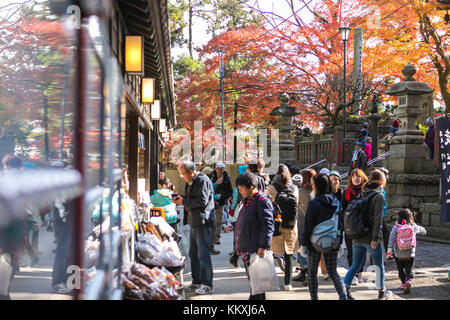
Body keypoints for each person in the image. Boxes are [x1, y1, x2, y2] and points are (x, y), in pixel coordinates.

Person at [344, 170, 393, 300]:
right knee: (379, 266)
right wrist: (376, 238)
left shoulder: (362, 192)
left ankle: (344, 289)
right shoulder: (379, 196)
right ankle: (382, 291)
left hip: (358, 235)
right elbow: (378, 219)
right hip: (370, 236)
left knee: (355, 265)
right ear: (382, 181)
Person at [299, 173, 348, 300]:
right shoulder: (336, 201)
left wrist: (303, 243)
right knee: (333, 272)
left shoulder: (314, 203)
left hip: (314, 243)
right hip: (332, 241)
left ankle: (314, 298)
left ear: (316, 186)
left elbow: (308, 225)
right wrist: (340, 241)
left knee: (312, 273)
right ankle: (343, 296)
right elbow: (340, 223)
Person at [173, 161, 215, 295]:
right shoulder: (192, 181)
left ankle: (207, 284)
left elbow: (202, 201)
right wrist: (182, 198)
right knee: (193, 254)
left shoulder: (202, 181)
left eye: (183, 174)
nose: (182, 177)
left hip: (203, 222)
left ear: (191, 172)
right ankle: (196, 281)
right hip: (194, 221)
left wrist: (183, 201)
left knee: (203, 254)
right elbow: (193, 199)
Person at [235, 172, 275, 300]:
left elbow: (268, 225)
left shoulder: (262, 201)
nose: (240, 191)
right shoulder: (247, 201)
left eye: (242, 188)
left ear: (251, 186)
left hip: (255, 249)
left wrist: (263, 246)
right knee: (255, 286)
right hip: (247, 247)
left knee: (257, 287)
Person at [267, 164, 299, 291]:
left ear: (276, 174)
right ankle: (288, 283)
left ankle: (269, 278)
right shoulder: (295, 188)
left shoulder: (271, 187)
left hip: (277, 223)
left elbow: (268, 204)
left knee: (271, 251)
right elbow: (296, 203)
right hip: (291, 224)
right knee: (289, 253)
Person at [387, 209, 426, 294]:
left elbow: (391, 240)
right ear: (410, 216)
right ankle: (409, 281)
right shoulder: (413, 226)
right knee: (409, 269)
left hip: (398, 254)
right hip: (410, 253)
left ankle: (403, 283)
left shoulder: (396, 227)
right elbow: (423, 231)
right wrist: (422, 230)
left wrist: (389, 252)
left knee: (401, 270)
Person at [342, 169, 368, 285]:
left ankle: (360, 273)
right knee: (351, 252)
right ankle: (353, 275)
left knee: (362, 251)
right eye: (353, 177)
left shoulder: (366, 192)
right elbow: (342, 210)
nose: (356, 179)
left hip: (362, 226)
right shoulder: (347, 192)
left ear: (362, 178)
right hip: (350, 227)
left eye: (358, 177)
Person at [292, 169, 316, 284]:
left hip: (302, 223)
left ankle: (306, 273)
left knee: (302, 250)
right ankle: (303, 272)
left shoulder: (301, 192)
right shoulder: (314, 191)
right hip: (312, 224)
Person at [227, 165, 248, 268]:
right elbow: (235, 199)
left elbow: (235, 198)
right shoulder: (246, 182)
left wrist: (232, 209)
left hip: (238, 210)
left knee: (237, 233)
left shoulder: (238, 182)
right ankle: (236, 255)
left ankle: (235, 255)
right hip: (241, 210)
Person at [211, 163, 233, 245]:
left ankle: (217, 237)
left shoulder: (227, 179)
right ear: (215, 169)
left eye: (221, 169)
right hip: (211, 202)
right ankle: (211, 237)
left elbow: (230, 191)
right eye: (218, 168)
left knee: (219, 221)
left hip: (221, 202)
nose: (220, 170)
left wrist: (222, 197)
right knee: (211, 220)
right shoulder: (212, 177)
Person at [378, 167, 390, 254]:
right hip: (378, 216)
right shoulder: (378, 188)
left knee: (385, 234)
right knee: (382, 235)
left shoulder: (381, 187)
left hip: (381, 215)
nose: (388, 177)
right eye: (386, 175)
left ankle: (389, 253)